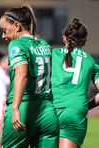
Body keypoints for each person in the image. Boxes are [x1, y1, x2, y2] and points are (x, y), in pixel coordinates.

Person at [0, 4, 59, 148]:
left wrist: (15, 108)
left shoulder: (16, 44)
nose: (3, 36)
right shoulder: (45, 45)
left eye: (4, 30)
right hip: (48, 112)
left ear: (17, 26)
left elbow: (22, 74)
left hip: (25, 109)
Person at [51, 18, 99, 148]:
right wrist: (87, 105)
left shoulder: (52, 54)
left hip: (50, 110)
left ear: (64, 38)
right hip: (75, 111)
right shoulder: (90, 61)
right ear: (85, 41)